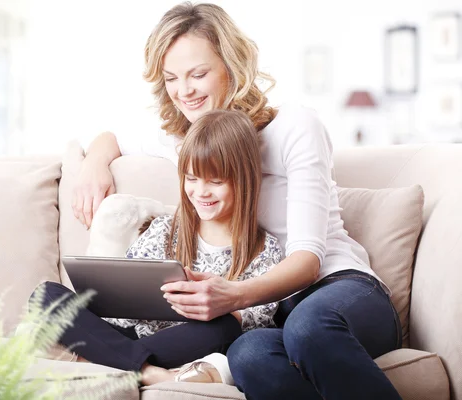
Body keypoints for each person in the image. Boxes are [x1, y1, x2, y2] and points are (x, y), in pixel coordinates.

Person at [72, 2, 403, 399]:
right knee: (247, 354)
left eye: (198, 74)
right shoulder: (188, 139)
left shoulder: (294, 126)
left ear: (232, 66)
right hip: (274, 316)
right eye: (172, 78)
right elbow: (113, 137)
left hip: (339, 289)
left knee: (308, 328)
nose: (185, 91)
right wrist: (93, 163)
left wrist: (231, 294)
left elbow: (308, 259)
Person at [36, 109, 282, 386]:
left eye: (215, 181)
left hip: (187, 343)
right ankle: (147, 371)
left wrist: (212, 304)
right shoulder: (165, 229)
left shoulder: (266, 251)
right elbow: (128, 285)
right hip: (130, 333)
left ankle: (105, 358)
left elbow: (255, 322)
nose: (201, 192)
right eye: (192, 179)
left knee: (225, 326)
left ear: (244, 180)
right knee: (45, 296)